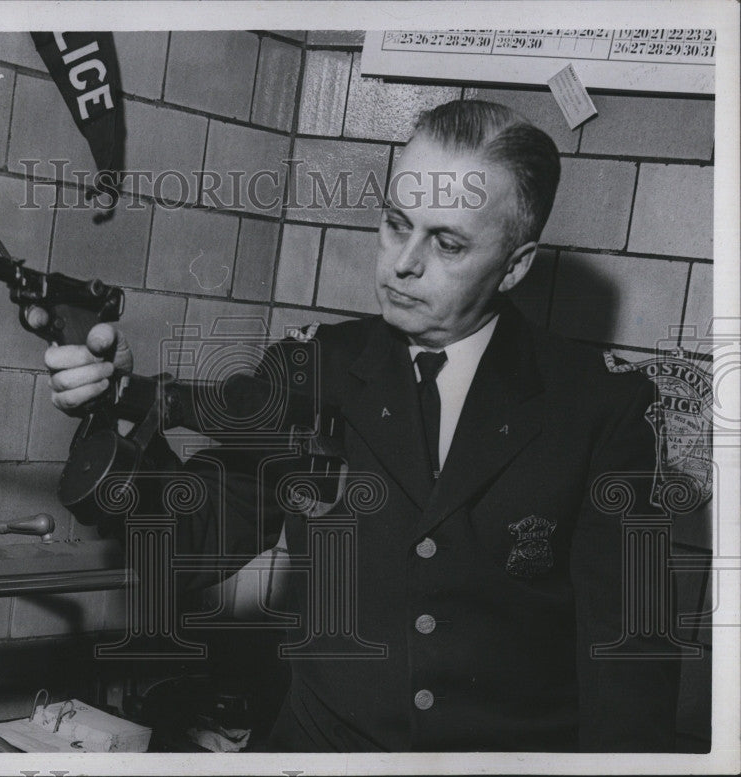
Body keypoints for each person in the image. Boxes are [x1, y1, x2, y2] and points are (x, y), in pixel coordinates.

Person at [44, 99, 681, 751]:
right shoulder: (314, 369)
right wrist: (117, 416)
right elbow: (189, 540)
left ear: (515, 264)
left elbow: (629, 667)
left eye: (447, 242)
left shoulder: (599, 405)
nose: (403, 263)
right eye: (395, 224)